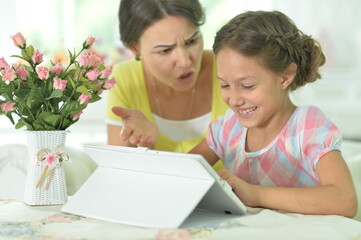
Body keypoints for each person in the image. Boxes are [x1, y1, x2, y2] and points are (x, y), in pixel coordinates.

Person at [190, 10, 358, 217]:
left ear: (285, 77)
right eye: (225, 85)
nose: (234, 99)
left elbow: (344, 201)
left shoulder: (307, 127)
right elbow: (178, 174)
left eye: (248, 85)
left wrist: (255, 194)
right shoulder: (227, 129)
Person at [106, 0, 228, 169]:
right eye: (165, 50)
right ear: (135, 49)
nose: (185, 62)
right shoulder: (125, 79)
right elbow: (119, 173)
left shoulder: (230, 70)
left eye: (192, 41)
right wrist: (142, 147)